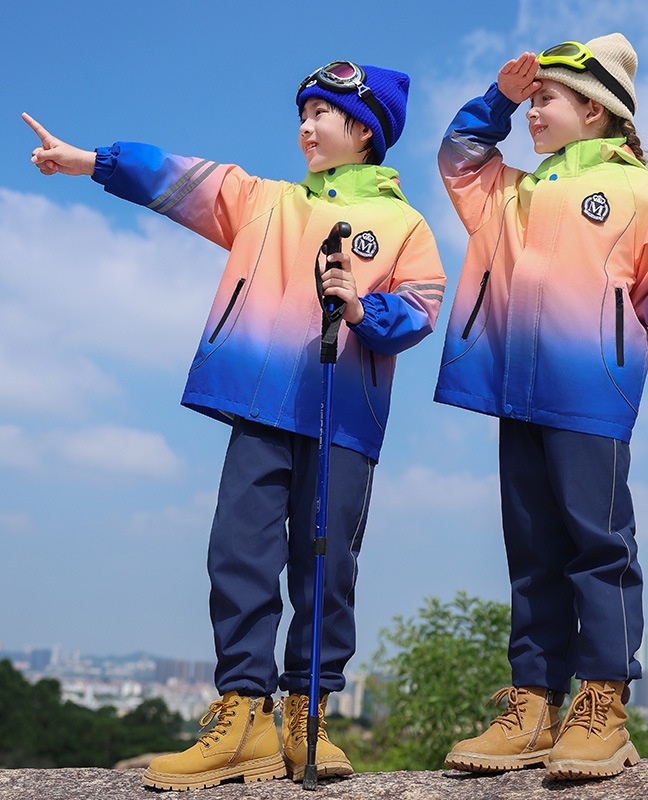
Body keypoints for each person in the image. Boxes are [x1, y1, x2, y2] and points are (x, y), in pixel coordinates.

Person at [24, 60, 445, 790]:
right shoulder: (264, 201)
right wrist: (91, 161)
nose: (306, 126)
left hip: (343, 418)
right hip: (261, 405)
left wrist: (359, 307)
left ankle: (307, 716)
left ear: (366, 129)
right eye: (302, 114)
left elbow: (421, 308)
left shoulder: (406, 224)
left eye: (322, 113)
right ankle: (244, 716)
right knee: (238, 552)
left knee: (326, 566)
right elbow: (180, 177)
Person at [433, 34, 648, 781]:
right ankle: (533, 705)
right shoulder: (511, 190)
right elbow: (459, 157)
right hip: (517, 392)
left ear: (594, 109)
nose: (532, 111)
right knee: (531, 552)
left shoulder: (638, 191)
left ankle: (603, 704)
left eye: (545, 98)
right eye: (530, 100)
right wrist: (499, 99)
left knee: (598, 545)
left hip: (591, 393)